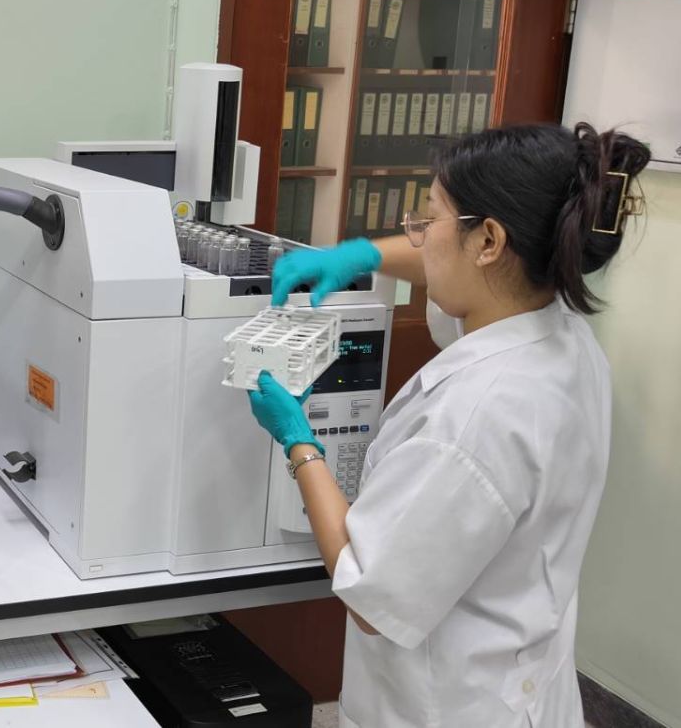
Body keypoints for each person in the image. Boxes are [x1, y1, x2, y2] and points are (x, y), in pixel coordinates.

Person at [246, 122, 649, 727]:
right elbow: (449, 270)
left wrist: (299, 441)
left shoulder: (474, 419)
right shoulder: (558, 330)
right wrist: (363, 254)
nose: (418, 235)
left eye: (429, 218)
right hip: (519, 684)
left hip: (449, 706)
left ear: (488, 240)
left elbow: (370, 591)